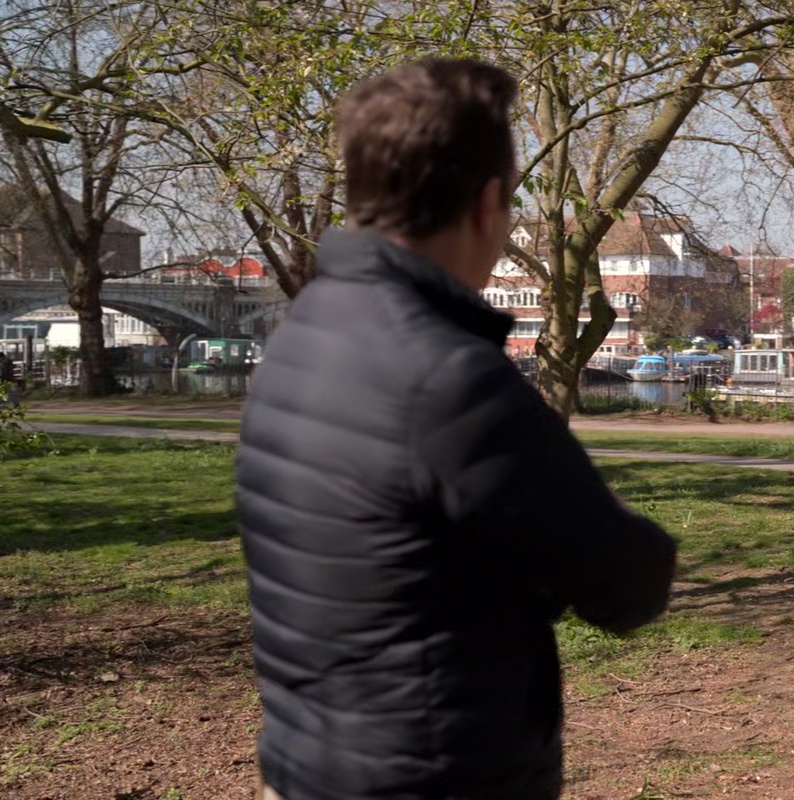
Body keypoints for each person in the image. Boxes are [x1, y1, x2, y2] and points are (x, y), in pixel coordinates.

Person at [236, 58, 677, 800]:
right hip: (433, 774)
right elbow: (625, 581)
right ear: (488, 204)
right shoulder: (449, 378)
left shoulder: (307, 329)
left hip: (311, 760)